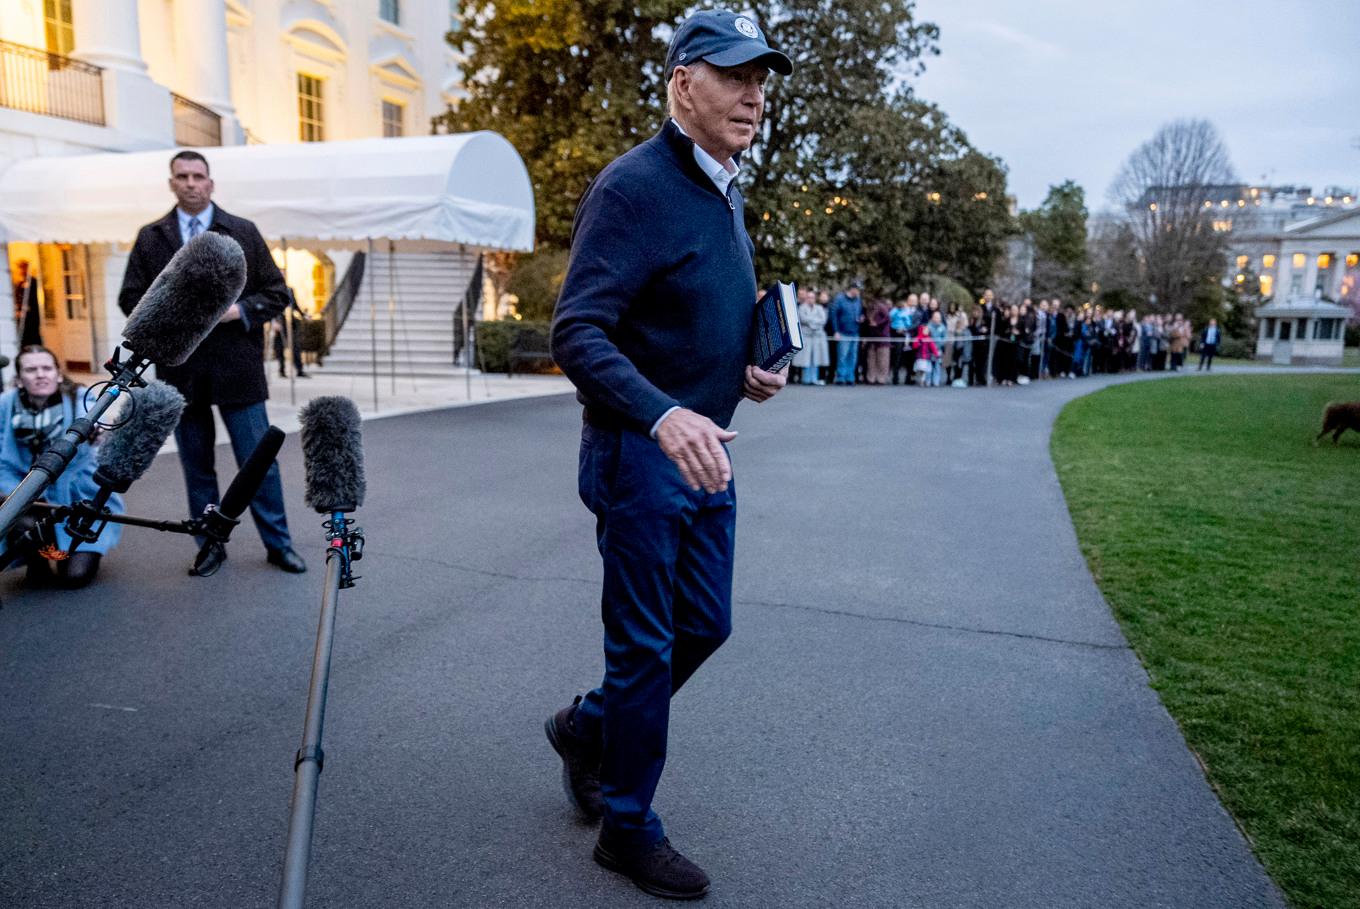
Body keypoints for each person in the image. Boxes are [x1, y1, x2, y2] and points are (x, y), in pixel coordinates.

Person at [546, 10, 791, 899]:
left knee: (705, 626)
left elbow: (682, 309)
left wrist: (746, 368)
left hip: (704, 446)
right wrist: (662, 414)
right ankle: (627, 824)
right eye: (734, 76)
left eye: (762, 79)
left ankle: (587, 727)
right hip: (642, 451)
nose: (754, 95)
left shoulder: (722, 188)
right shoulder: (634, 186)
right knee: (647, 646)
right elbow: (577, 330)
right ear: (685, 80)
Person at [117, 150, 305, 577]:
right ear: (171, 184)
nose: (190, 183)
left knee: (258, 465)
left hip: (238, 370)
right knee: (197, 468)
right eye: (181, 176)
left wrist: (235, 311)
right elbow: (131, 298)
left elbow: (278, 294)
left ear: (211, 183)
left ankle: (279, 545)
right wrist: (177, 313)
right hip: (181, 373)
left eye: (198, 176)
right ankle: (210, 547)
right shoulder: (152, 237)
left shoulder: (242, 230)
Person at [0, 346, 121, 587]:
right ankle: (39, 559)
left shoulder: (81, 397)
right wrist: (22, 494)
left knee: (74, 577)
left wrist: (100, 435)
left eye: (46, 368)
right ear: (19, 379)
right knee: (20, 520)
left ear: (57, 374)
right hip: (33, 497)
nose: (40, 374)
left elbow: (103, 430)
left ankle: (61, 551)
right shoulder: (6, 403)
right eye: (31, 369)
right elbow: (3, 463)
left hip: (78, 498)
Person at [792, 287, 828, 385]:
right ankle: (806, 379)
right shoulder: (801, 308)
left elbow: (823, 320)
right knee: (806, 358)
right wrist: (815, 323)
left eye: (812, 297)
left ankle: (814, 378)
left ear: (815, 298)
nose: (810, 299)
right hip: (806, 336)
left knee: (816, 358)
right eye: (809, 297)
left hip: (817, 337)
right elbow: (803, 319)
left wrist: (811, 323)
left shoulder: (819, 308)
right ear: (806, 298)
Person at [829, 281, 862, 385]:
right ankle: (841, 378)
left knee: (853, 356)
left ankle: (850, 378)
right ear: (852, 289)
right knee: (842, 356)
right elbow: (833, 316)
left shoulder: (858, 300)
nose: (858, 292)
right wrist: (836, 331)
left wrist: (861, 318)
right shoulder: (840, 299)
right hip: (843, 332)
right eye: (857, 289)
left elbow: (859, 313)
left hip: (855, 332)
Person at [273, 288, 310, 379]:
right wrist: (274, 322)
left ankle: (299, 370)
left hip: (291, 322)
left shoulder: (289, 290)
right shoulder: (273, 289)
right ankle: (282, 370)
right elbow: (271, 306)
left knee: (295, 346)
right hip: (280, 322)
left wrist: (303, 315)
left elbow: (295, 305)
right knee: (280, 347)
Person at [11, 260, 43, 349]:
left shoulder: (33, 281)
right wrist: (17, 309)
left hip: (31, 315)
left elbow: (33, 299)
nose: (21, 271)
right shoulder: (20, 282)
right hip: (22, 316)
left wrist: (26, 309)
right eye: (20, 268)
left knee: (32, 334)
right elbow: (18, 298)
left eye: (22, 268)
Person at [862, 295, 891, 384]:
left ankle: (881, 378)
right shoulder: (868, 309)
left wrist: (877, 323)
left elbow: (887, 318)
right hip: (871, 336)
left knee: (882, 359)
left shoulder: (881, 307)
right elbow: (867, 323)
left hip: (882, 336)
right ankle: (871, 378)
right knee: (871, 358)